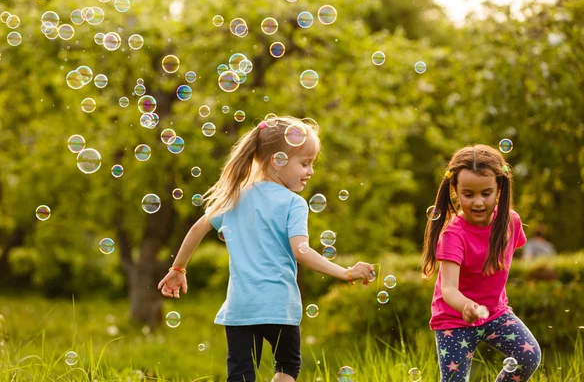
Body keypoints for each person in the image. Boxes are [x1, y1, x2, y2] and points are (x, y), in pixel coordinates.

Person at [157, 116, 374, 382]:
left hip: (241, 308)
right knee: (287, 367)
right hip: (278, 306)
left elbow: (197, 229)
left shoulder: (233, 197)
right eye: (304, 163)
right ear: (278, 160)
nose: (310, 171)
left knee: (240, 375)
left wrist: (178, 268)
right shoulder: (293, 203)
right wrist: (345, 272)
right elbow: (301, 251)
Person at [421, 144, 541, 381]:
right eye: (468, 194)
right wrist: (467, 306)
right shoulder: (453, 235)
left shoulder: (511, 222)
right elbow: (448, 289)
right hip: (455, 320)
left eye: (486, 193)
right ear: (454, 189)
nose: (477, 202)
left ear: (499, 188)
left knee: (529, 357)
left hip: (496, 314)